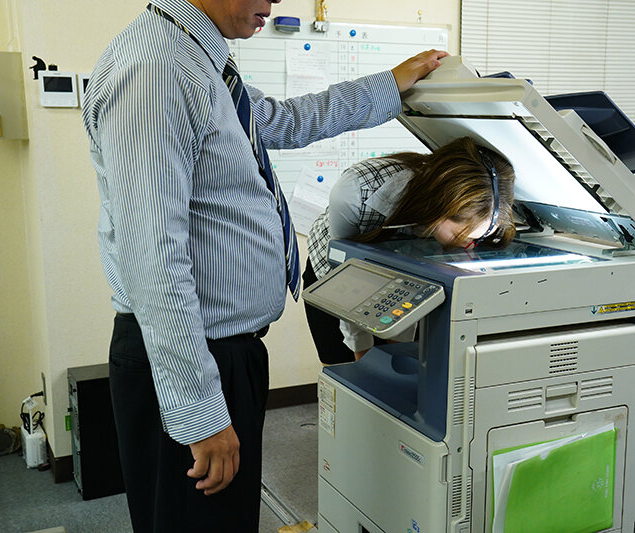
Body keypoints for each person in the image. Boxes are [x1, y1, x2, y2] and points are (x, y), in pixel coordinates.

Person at [81, 0, 448, 529]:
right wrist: (201, 415)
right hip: (192, 356)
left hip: (224, 351)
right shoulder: (156, 69)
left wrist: (391, 84)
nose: (274, 3)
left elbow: (286, 120)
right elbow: (152, 256)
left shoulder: (198, 59)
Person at [304, 136, 517, 365]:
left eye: (478, 237)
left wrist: (399, 347)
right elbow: (347, 281)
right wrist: (362, 353)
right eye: (462, 236)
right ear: (440, 210)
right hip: (336, 279)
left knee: (399, 363)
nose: (469, 246)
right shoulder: (357, 191)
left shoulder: (482, 204)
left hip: (399, 284)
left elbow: (415, 287)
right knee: (345, 369)